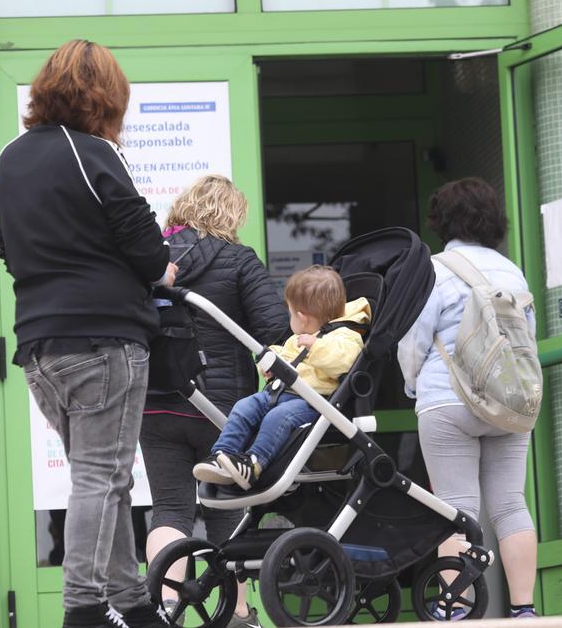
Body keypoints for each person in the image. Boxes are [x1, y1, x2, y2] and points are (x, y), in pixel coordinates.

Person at [0, 39, 177, 628]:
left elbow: (7, 248)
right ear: (107, 98)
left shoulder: (9, 158)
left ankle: (132, 604)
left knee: (102, 477)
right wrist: (164, 270)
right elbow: (145, 247)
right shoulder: (95, 152)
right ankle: (83, 611)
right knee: (103, 477)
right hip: (104, 340)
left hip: (40, 349)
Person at [140, 174, 288, 627]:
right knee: (227, 510)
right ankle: (238, 614)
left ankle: (165, 609)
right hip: (221, 411)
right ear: (231, 214)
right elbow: (274, 333)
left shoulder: (150, 262)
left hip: (156, 403)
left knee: (169, 508)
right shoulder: (238, 259)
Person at [397, 178, 539, 620]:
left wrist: (412, 384)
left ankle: (456, 609)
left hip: (448, 399)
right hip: (508, 403)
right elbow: (525, 337)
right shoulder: (511, 270)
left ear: (441, 220)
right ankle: (524, 609)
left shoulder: (435, 269)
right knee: (512, 505)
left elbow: (413, 339)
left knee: (457, 509)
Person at [193, 265, 370, 490]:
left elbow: (343, 362)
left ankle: (254, 463)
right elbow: (286, 357)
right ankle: (222, 454)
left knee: (278, 418)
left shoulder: (345, 336)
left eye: (290, 312)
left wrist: (317, 346)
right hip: (276, 392)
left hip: (311, 403)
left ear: (302, 318)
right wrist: (271, 363)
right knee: (244, 406)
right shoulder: (297, 338)